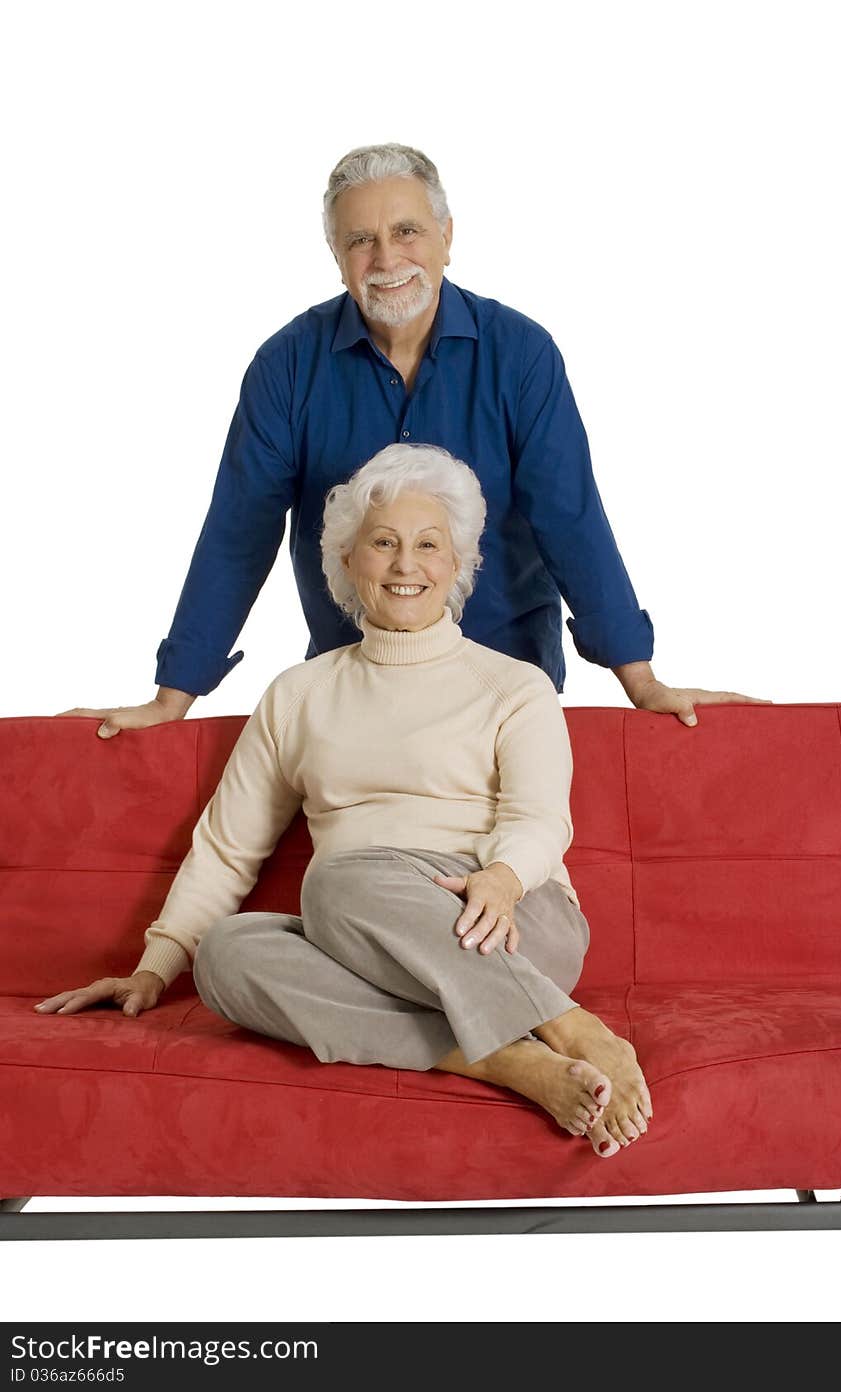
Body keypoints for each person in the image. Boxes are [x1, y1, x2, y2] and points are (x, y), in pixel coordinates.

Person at [37, 444, 653, 1159]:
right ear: (346, 561)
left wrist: (504, 877)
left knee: (334, 882)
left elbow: (540, 816)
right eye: (382, 543)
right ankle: (500, 1057)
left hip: (509, 920)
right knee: (227, 956)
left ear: (458, 566)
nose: (404, 564)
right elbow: (229, 847)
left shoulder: (515, 687)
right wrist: (157, 965)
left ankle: (571, 1026)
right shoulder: (299, 695)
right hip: (361, 927)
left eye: (429, 545)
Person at [60, 141, 769, 736]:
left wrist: (639, 678)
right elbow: (237, 533)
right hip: (353, 688)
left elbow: (570, 516)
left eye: (406, 232)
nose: (387, 257)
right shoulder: (285, 367)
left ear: (447, 237)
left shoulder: (520, 354)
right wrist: (172, 695)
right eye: (360, 240)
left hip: (503, 687)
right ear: (336, 255)